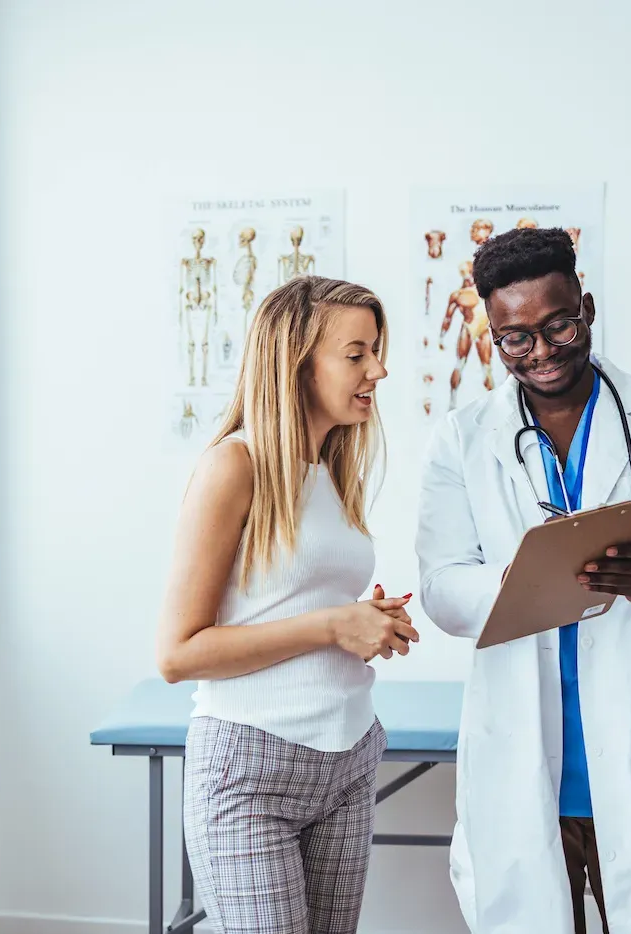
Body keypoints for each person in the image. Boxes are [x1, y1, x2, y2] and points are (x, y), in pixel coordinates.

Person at [415, 227, 631, 933]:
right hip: (521, 753)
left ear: (586, 307)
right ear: (494, 338)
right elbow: (442, 586)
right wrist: (516, 580)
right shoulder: (461, 440)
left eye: (558, 324)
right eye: (516, 338)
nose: (541, 351)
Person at [156, 275, 418, 934]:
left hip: (349, 758)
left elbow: (294, 602)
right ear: (297, 365)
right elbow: (178, 653)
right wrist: (333, 625)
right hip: (249, 770)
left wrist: (366, 620)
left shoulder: (333, 472)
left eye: (376, 350)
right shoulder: (232, 467)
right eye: (356, 354)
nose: (378, 370)